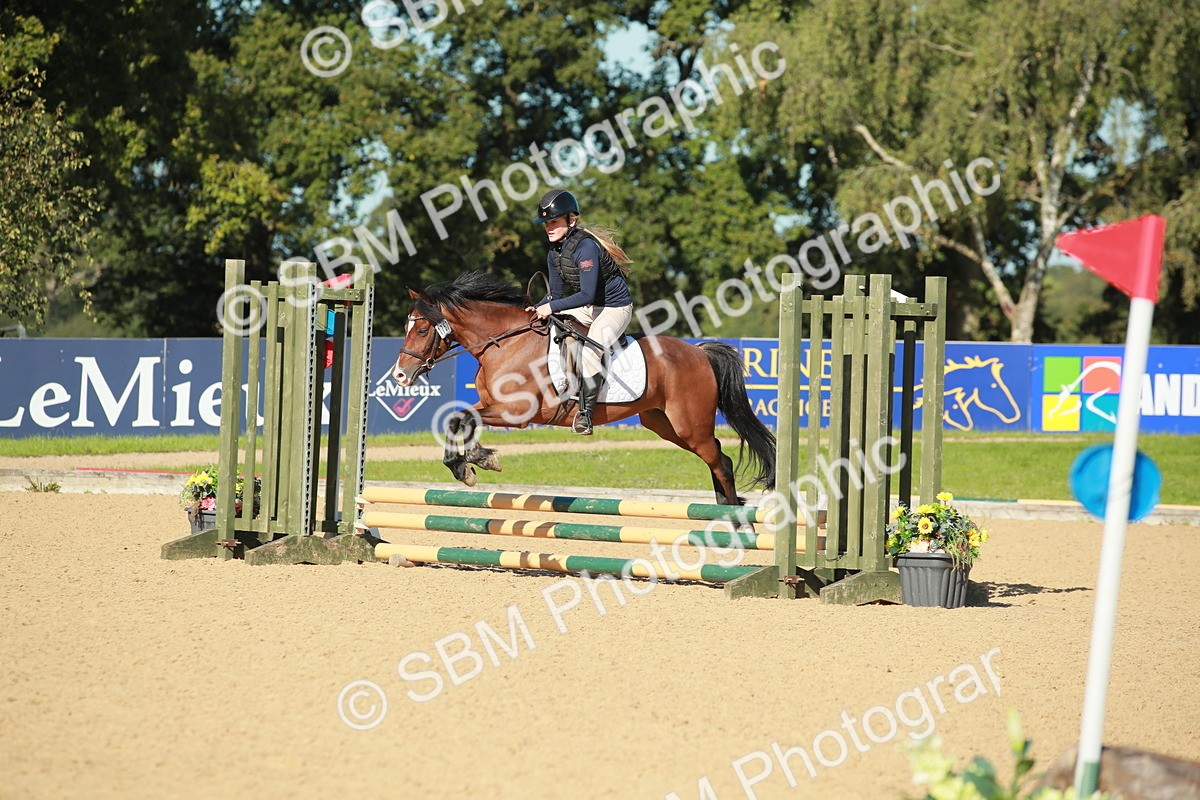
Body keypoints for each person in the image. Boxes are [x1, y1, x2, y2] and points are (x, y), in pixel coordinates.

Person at [526, 189, 634, 435]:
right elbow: (555, 294)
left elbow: (585, 295)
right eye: (545, 223)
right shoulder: (555, 252)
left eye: (553, 221)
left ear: (570, 220)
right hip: (588, 307)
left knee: (591, 351)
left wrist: (550, 306)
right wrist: (539, 306)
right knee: (556, 327)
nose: (548, 228)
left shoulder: (586, 248)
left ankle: (585, 414)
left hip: (614, 307)